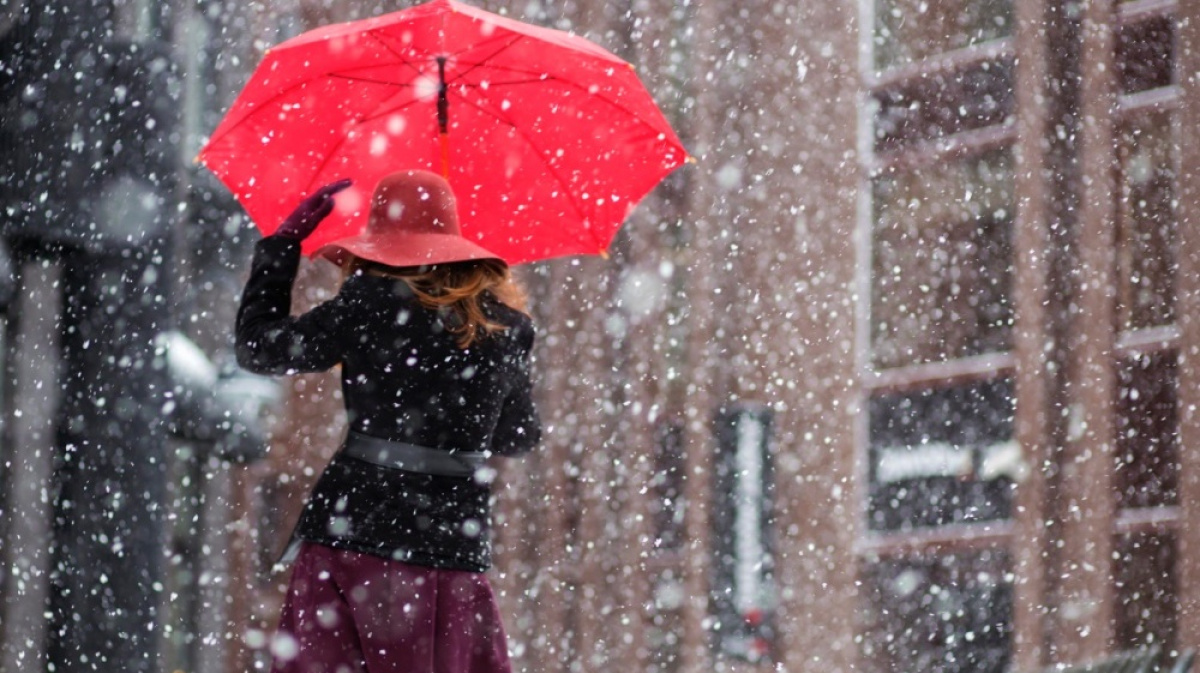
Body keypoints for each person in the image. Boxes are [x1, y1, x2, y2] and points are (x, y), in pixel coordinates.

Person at [235, 169, 541, 673]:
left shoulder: (368, 306)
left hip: (352, 538)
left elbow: (260, 347)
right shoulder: (507, 328)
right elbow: (519, 435)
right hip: (450, 553)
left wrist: (282, 247)